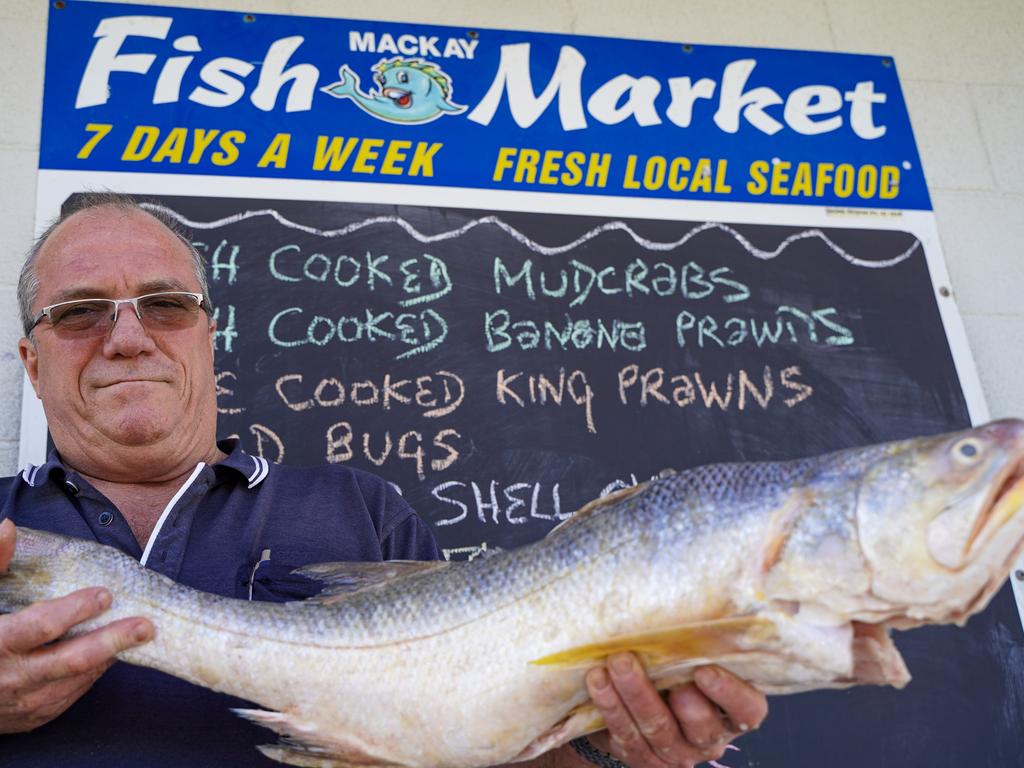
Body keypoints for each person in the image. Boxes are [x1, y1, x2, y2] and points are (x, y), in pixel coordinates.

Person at [0, 193, 767, 767]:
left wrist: (610, 744)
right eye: (79, 313)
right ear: (32, 361)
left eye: (165, 305)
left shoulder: (360, 507)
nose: (128, 339)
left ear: (207, 336)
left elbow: (478, 744)